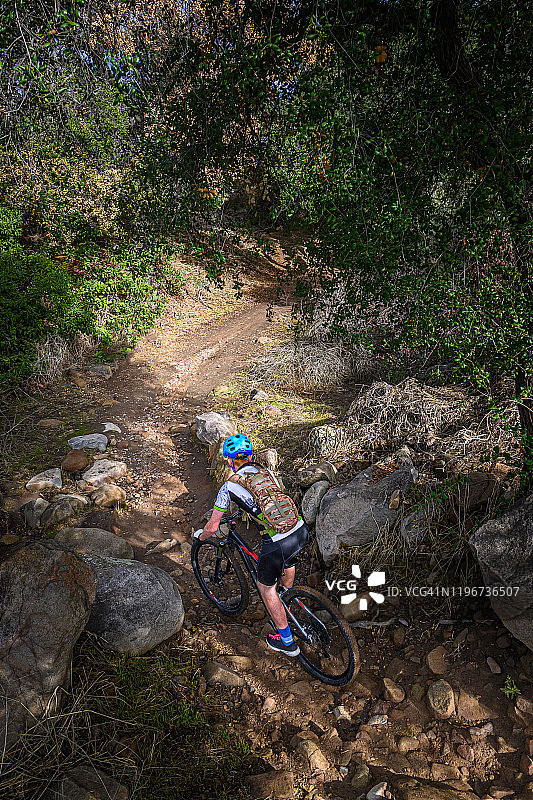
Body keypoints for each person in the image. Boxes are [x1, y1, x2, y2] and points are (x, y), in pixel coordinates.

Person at [196, 433, 309, 657]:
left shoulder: (228, 487)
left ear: (229, 460)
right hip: (299, 529)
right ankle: (287, 597)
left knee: (265, 588)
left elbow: (212, 527)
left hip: (277, 540)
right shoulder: (267, 474)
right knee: (287, 561)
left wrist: (200, 537)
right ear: (249, 456)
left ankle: (286, 641)